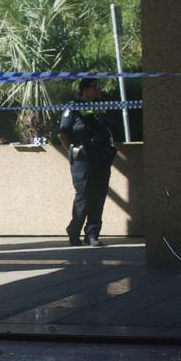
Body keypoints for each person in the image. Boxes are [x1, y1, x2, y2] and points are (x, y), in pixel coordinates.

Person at [58, 78, 117, 247]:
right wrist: (71, 151)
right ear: (85, 89)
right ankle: (74, 231)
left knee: (99, 196)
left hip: (101, 158)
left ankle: (92, 234)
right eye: (95, 87)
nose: (99, 90)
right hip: (83, 159)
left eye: (100, 86)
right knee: (83, 196)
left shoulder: (100, 107)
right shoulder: (73, 106)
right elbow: (63, 134)